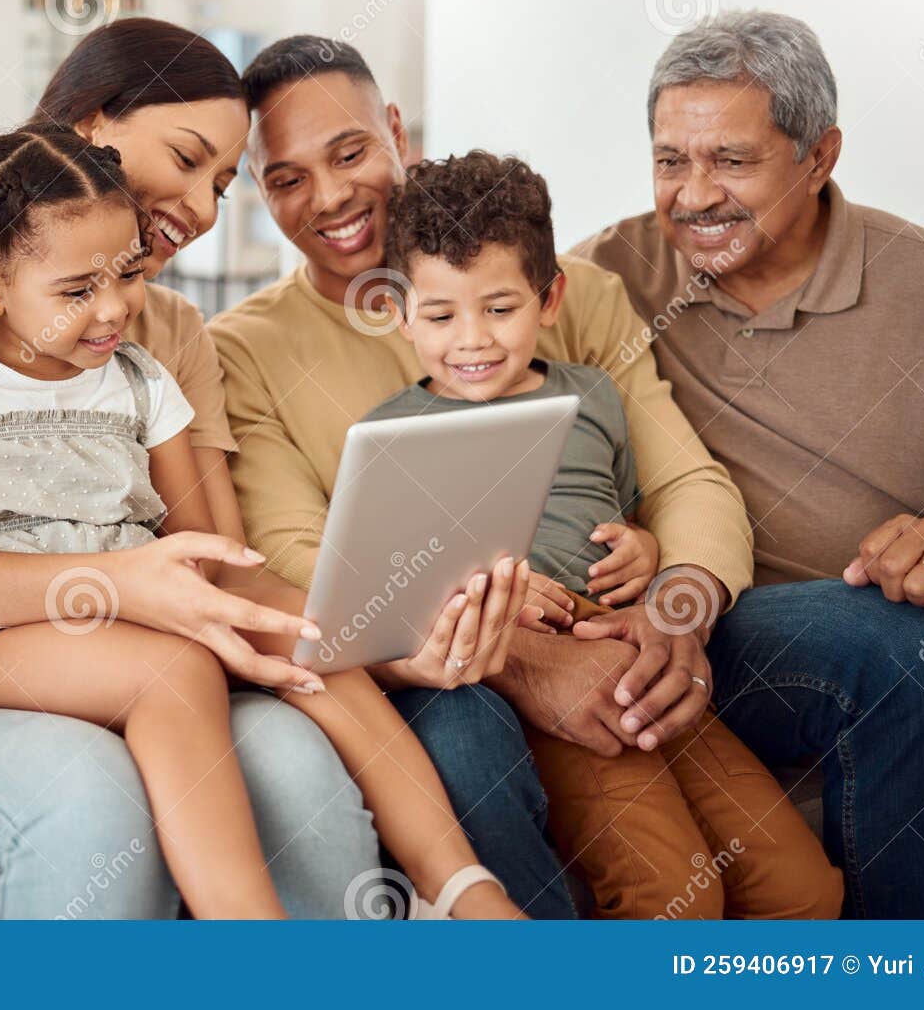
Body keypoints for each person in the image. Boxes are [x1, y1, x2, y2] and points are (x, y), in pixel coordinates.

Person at [0, 124, 539, 919]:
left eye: (126, 273)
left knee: (313, 641)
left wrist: (312, 619)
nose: (115, 307)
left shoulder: (142, 381)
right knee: (172, 673)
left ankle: (464, 885)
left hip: (146, 618)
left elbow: (210, 553)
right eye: (75, 290)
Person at [211, 34, 758, 916]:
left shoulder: (565, 290)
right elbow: (304, 560)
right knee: (466, 732)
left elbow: (684, 477)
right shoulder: (243, 350)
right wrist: (524, 655)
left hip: (616, 621)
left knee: (865, 640)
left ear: (395, 129)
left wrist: (679, 598)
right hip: (426, 663)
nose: (331, 196)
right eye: (287, 178)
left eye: (351, 152)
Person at [575, 11, 924, 916]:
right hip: (714, 624)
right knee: (884, 642)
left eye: (731, 161)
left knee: (893, 629)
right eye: (669, 161)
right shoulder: (604, 280)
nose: (693, 196)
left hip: (903, 617)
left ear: (819, 156)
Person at [361, 149, 842, 919]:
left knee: (802, 886)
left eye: (500, 307)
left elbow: (634, 510)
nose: (474, 340)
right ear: (400, 311)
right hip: (543, 670)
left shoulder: (592, 394)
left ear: (550, 298)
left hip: (638, 652)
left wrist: (649, 551)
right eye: (442, 314)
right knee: (672, 895)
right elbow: (392, 594)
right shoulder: (391, 435)